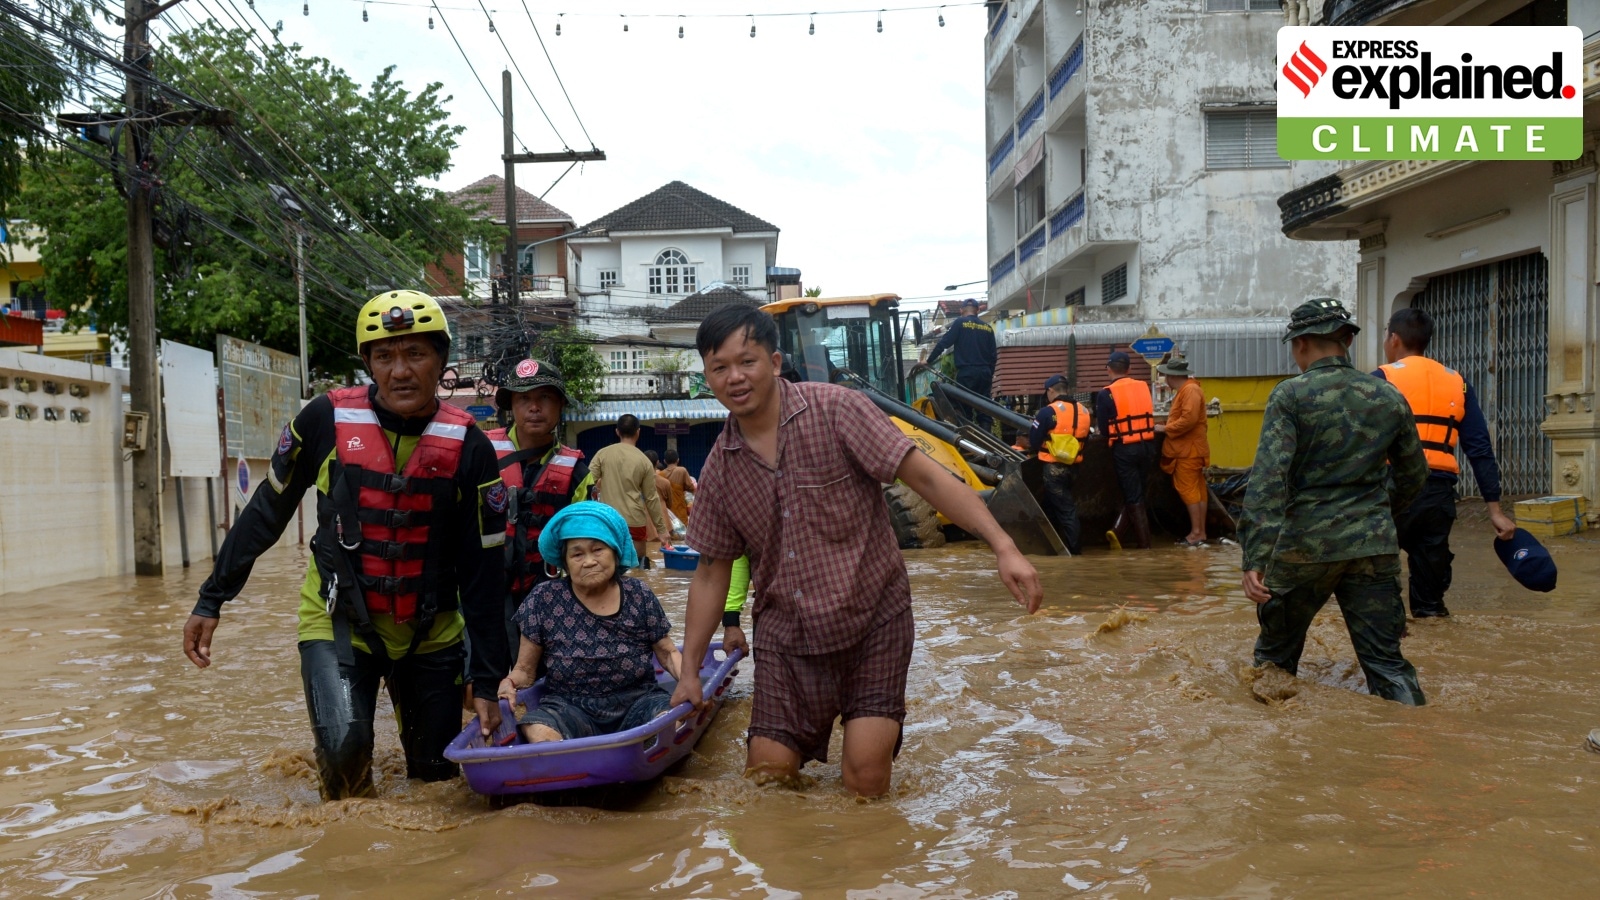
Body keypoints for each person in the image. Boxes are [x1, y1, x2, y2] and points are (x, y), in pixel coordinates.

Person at [671, 304, 1043, 797]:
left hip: (874, 620)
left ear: (776, 363)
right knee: (766, 781)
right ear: (707, 377)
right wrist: (691, 672)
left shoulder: (837, 410)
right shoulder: (719, 470)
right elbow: (711, 572)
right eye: (719, 368)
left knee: (865, 780)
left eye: (747, 361)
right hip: (789, 637)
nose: (735, 377)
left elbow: (927, 476)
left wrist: (1004, 546)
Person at [182, 291, 509, 799]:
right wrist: (212, 598)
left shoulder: (472, 448)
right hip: (337, 622)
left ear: (441, 361)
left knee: (438, 782)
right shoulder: (323, 421)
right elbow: (267, 510)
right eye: (385, 357)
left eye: (415, 354)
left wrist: (488, 680)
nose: (400, 371)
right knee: (345, 756)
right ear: (368, 365)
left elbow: (484, 571)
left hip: (433, 632)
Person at [1239, 298, 1429, 706]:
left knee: (1274, 662)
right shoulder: (1388, 396)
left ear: (1302, 343)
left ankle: (1271, 758)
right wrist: (1376, 515)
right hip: (1373, 547)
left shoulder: (1290, 396)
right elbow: (1415, 474)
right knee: (1387, 665)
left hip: (1302, 548)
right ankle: (1418, 747)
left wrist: (1255, 557)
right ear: (1345, 340)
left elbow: (1268, 482)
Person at [497, 503, 683, 743]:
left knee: (671, 721)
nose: (589, 561)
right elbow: (525, 670)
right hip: (569, 707)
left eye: (598, 550)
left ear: (615, 553)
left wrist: (689, 683)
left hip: (639, 700)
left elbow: (667, 653)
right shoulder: (544, 598)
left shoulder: (639, 594)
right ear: (564, 563)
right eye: (577, 554)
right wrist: (508, 683)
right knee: (537, 730)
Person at [1375, 307, 1517, 619]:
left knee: (1375, 586)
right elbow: (1479, 448)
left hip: (1388, 492)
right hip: (1437, 496)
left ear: (1394, 339)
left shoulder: (1381, 379)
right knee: (1430, 606)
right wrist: (1495, 510)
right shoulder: (1458, 383)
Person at [485, 357, 593, 651]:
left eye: (545, 398)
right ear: (512, 407)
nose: (534, 407)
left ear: (560, 407)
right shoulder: (481, 455)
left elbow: (588, 548)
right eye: (524, 399)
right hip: (488, 596)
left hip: (550, 597)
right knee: (483, 688)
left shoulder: (577, 474)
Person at [590, 414, 673, 568]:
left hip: (608, 519)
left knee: (608, 566)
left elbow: (587, 484)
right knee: (639, 569)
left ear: (617, 432)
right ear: (638, 432)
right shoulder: (644, 461)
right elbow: (651, 498)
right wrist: (661, 530)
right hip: (635, 521)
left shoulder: (603, 454)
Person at [1096, 351, 1157, 550]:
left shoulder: (1106, 394)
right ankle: (1118, 531)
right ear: (1129, 369)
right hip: (1148, 446)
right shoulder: (1143, 386)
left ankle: (1144, 546)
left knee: (1133, 496)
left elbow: (1105, 430)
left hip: (1125, 449)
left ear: (1108, 369)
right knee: (1137, 492)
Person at [1027, 374, 1091, 554]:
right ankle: (1051, 548)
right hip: (1074, 467)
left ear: (1051, 391)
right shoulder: (1084, 412)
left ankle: (1075, 553)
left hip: (1054, 468)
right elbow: (1087, 440)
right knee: (1050, 505)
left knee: (1066, 510)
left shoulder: (1048, 411)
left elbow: (1034, 439)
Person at [1154, 357, 1210, 547]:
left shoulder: (1190, 391)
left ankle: (1196, 533)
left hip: (1187, 451)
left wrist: (1165, 429)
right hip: (1192, 449)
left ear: (1171, 376)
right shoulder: (1188, 390)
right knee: (1198, 491)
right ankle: (1200, 532)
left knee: (1188, 490)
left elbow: (1189, 419)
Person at [924, 297, 998, 431]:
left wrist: (928, 361)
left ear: (961, 310)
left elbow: (943, 343)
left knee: (965, 409)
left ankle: (969, 442)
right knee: (985, 410)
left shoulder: (959, 323)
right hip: (985, 373)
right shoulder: (987, 328)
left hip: (967, 373)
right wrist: (989, 374)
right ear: (977, 310)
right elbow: (994, 356)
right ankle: (987, 443)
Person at [661, 448, 697, 525]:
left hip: (667, 512)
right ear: (678, 460)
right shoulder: (682, 470)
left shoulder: (660, 474)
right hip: (679, 509)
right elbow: (691, 487)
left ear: (664, 461)